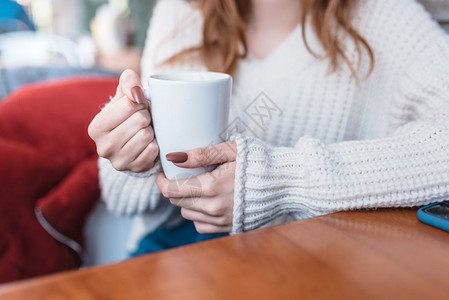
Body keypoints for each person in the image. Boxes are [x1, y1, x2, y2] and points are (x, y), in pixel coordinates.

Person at [88, 0, 449, 255]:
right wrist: (135, 144)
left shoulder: (384, 17)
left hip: (301, 258)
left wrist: (282, 180)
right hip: (170, 253)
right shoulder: (181, 11)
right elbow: (119, 196)